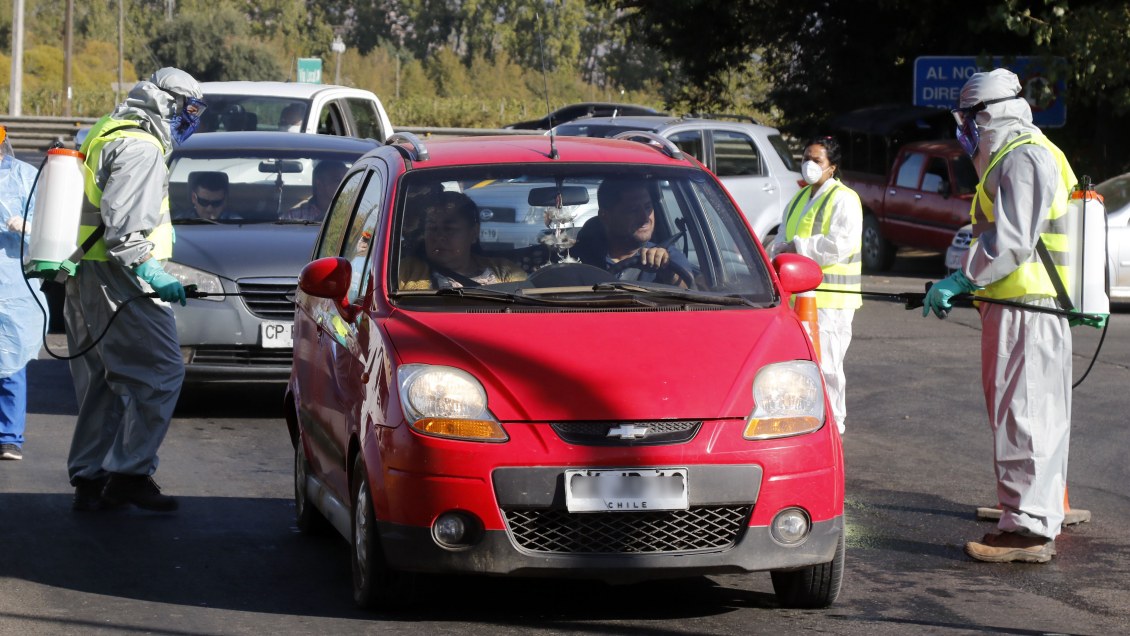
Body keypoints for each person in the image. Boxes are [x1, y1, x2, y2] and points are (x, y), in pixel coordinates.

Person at [922, 68, 1099, 563]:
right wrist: (971, 284)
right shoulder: (1020, 151)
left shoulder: (1023, 155)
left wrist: (964, 277)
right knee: (1034, 412)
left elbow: (1014, 240)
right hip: (1024, 304)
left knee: (1025, 413)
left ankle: (1027, 529)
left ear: (988, 113)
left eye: (968, 117)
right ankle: (1034, 511)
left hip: (1027, 306)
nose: (964, 129)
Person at [65, 67, 206, 512]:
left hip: (86, 272)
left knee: (105, 381)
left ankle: (90, 476)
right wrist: (155, 273)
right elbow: (125, 232)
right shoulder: (142, 148)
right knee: (163, 370)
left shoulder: (108, 129)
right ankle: (129, 472)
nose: (190, 120)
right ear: (167, 102)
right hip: (121, 275)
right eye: (189, 110)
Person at [765, 136, 862, 435]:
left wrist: (797, 246)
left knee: (829, 366)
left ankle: (835, 425)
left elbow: (840, 244)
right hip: (799, 299)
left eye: (817, 160)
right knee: (800, 365)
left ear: (831, 167)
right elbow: (781, 237)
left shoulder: (843, 199)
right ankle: (807, 421)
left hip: (832, 299)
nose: (809, 165)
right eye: (806, 158)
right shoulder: (799, 198)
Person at [0, 125, 46, 461]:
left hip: (13, 285)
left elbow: (50, 229)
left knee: (11, 359)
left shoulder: (23, 177)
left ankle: (9, 437)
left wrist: (27, 228)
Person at [577, 177, 692, 286]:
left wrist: (669, 274)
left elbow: (692, 294)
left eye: (648, 207)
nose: (645, 218)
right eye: (633, 210)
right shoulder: (578, 259)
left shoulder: (667, 257)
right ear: (605, 216)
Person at [398, 191, 527, 289]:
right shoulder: (404, 273)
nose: (439, 236)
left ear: (473, 233)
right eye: (432, 228)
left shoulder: (505, 272)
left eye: (449, 229)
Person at [283, 160, 348, 222]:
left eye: (346, 180)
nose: (345, 185)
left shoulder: (353, 215)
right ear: (319, 184)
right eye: (338, 181)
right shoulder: (292, 217)